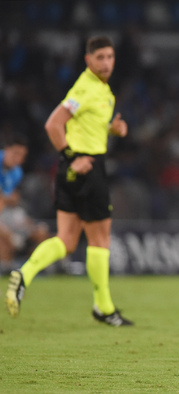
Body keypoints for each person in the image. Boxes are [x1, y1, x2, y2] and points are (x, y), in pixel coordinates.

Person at [5, 36, 133, 326]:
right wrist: (71, 155)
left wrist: (112, 129)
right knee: (100, 239)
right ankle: (104, 307)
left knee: (66, 240)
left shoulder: (103, 91)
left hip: (72, 170)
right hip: (86, 167)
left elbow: (84, 127)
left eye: (110, 57)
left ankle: (23, 274)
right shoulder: (85, 87)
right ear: (88, 60)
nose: (106, 63)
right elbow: (53, 123)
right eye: (99, 57)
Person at [0, 135, 29, 270]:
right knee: (5, 239)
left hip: (4, 212)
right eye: (15, 153)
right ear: (6, 149)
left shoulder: (17, 172)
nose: (18, 159)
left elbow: (8, 199)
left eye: (22, 156)